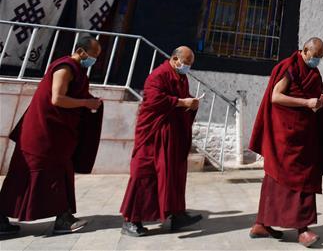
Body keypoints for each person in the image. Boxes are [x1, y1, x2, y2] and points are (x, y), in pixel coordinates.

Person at [0, 34, 104, 236]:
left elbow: (75, 95)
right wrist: (85, 103)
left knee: (60, 172)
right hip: (42, 132)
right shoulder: (65, 68)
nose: (94, 60)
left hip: (58, 133)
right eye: (93, 55)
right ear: (81, 52)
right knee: (26, 174)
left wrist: (91, 101)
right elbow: (57, 99)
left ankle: (63, 217)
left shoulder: (79, 71)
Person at [248, 38, 323, 247]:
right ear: (304, 51)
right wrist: (306, 102)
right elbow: (276, 96)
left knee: (301, 178)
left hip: (304, 134)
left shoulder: (313, 72)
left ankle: (262, 224)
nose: (317, 61)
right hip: (285, 136)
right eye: (315, 57)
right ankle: (302, 230)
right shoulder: (289, 67)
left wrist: (321, 100)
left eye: (320, 58)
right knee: (281, 179)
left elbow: (311, 95)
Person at [119, 46, 202, 236]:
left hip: (171, 133)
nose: (187, 67)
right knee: (144, 174)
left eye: (190, 65)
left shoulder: (181, 77)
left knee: (173, 173)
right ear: (175, 59)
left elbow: (180, 98)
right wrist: (182, 103)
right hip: (153, 134)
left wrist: (191, 102)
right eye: (186, 63)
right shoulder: (158, 75)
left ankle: (176, 215)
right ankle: (131, 220)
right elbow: (154, 100)